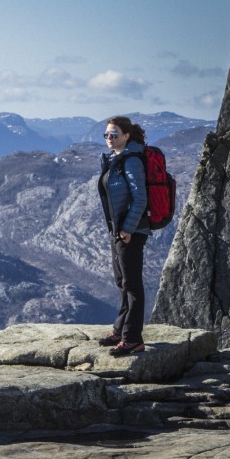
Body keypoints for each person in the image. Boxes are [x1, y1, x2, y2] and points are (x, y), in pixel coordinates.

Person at [96, 116, 151, 357]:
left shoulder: (131, 161)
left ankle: (133, 339)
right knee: (121, 281)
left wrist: (128, 229)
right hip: (117, 231)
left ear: (127, 135)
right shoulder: (116, 159)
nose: (109, 138)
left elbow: (140, 198)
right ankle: (120, 330)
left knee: (132, 285)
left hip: (131, 232)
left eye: (114, 134)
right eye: (107, 134)